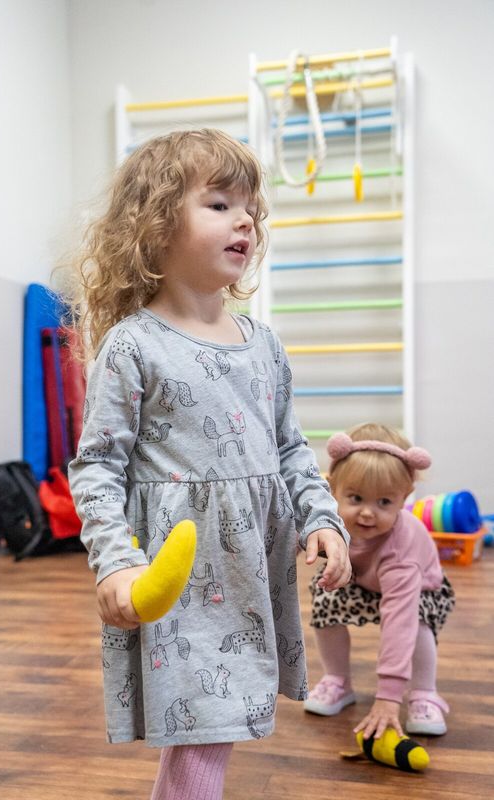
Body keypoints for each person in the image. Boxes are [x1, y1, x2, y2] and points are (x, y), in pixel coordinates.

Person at [67, 128, 351, 800]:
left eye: (250, 207)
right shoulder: (134, 346)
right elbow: (97, 466)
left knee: (212, 725)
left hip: (250, 569)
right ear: (156, 224)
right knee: (206, 728)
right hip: (182, 578)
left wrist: (322, 516)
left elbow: (288, 447)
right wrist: (116, 561)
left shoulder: (264, 345)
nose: (245, 220)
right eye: (220, 204)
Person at [305, 423, 455, 740]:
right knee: (324, 598)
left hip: (420, 589)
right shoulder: (331, 520)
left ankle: (424, 693)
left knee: (416, 621)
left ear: (404, 498)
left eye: (384, 502)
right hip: (362, 580)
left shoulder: (402, 550)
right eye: (356, 498)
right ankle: (337, 680)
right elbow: (297, 536)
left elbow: (399, 619)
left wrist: (388, 695)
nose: (367, 513)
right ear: (333, 489)